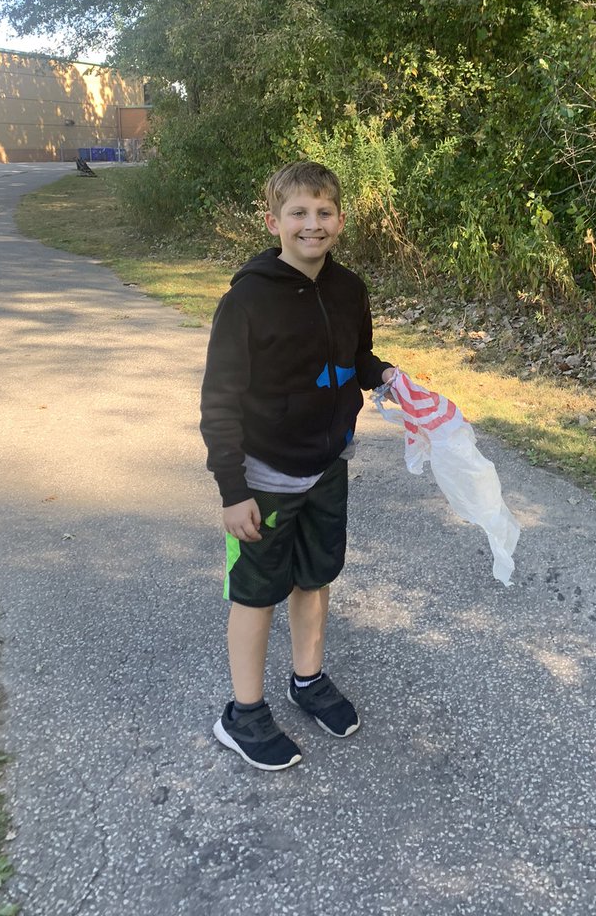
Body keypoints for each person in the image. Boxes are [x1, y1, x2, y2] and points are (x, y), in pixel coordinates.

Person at [200, 161, 395, 770]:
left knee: (315, 578)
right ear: (274, 221)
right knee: (256, 594)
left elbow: (356, 358)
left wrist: (385, 376)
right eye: (299, 213)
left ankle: (307, 681)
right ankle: (244, 713)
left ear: (340, 220)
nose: (313, 224)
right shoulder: (247, 300)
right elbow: (220, 401)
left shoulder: (350, 289)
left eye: (325, 212)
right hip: (263, 479)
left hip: (328, 465)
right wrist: (233, 491)